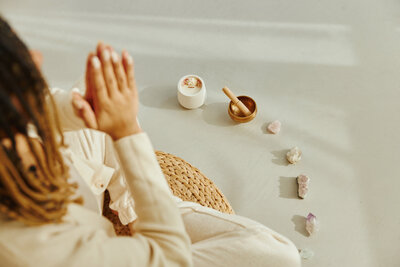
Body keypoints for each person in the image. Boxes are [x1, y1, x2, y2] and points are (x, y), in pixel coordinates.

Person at [0, 16, 301, 267]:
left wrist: (81, 109)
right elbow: (170, 257)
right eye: (16, 58)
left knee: (98, 94)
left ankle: (135, 212)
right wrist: (127, 131)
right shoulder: (35, 249)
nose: (36, 56)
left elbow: (41, 104)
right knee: (279, 255)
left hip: (70, 186)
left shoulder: (9, 140)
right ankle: (152, 214)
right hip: (109, 246)